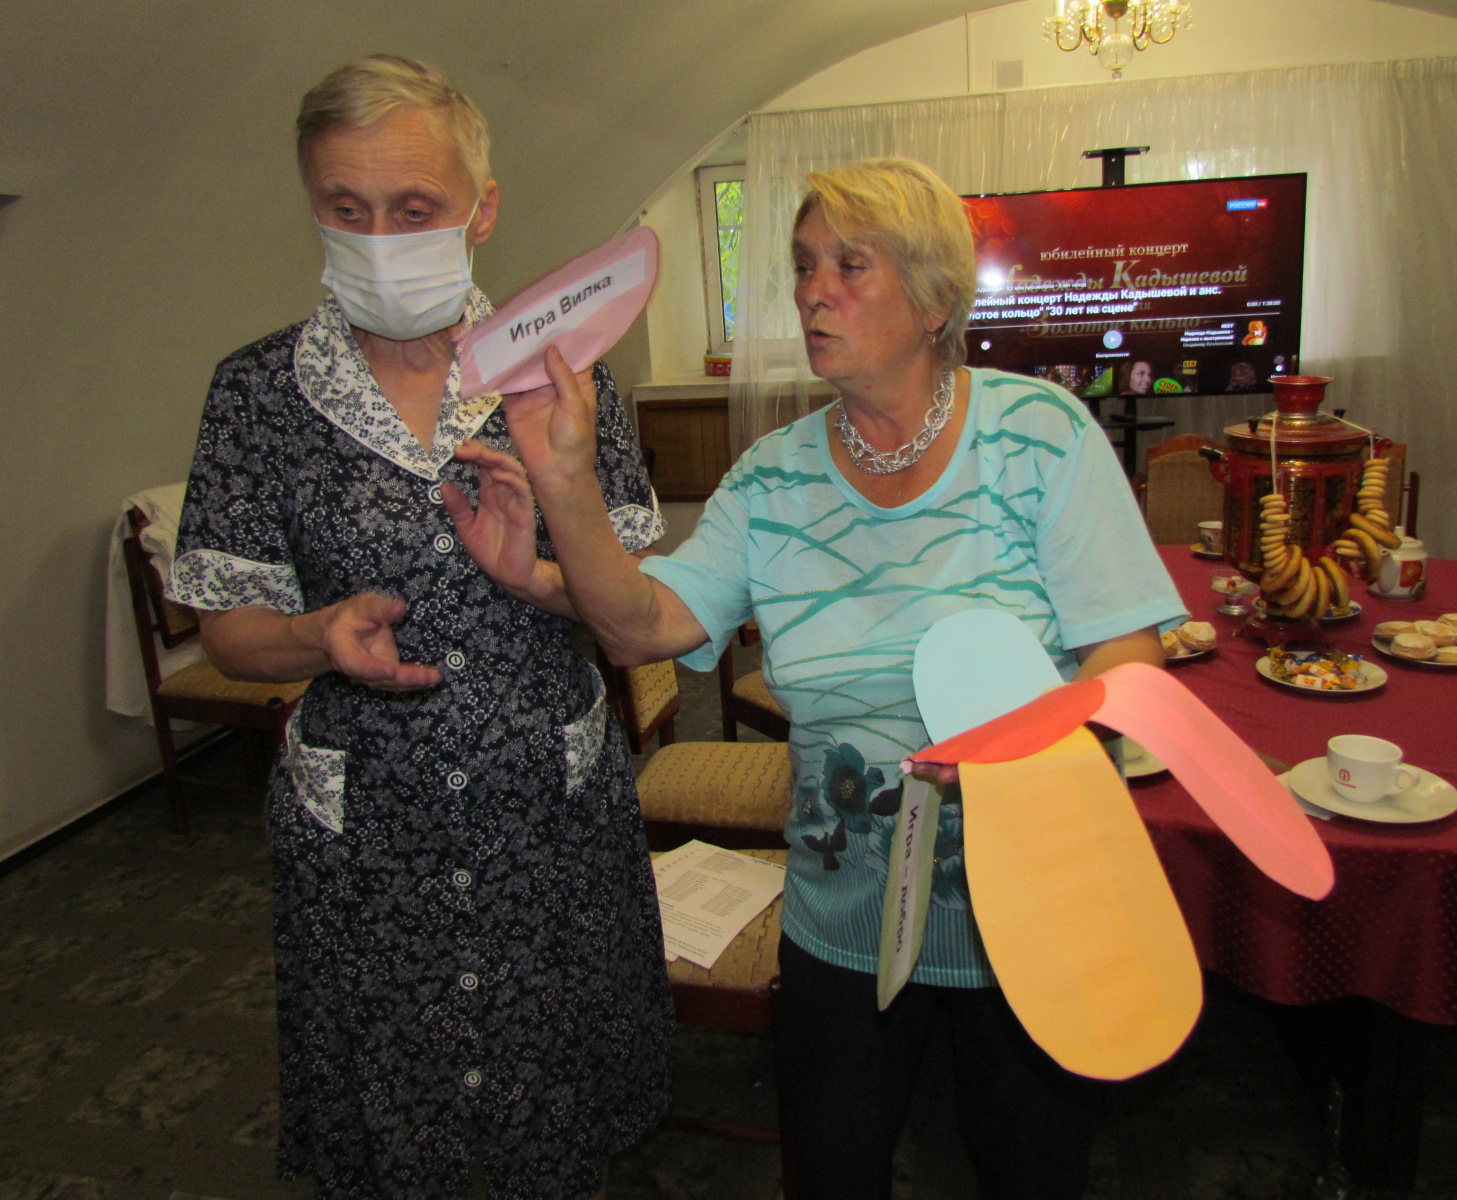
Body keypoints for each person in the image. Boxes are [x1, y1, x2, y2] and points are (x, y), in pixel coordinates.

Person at [450, 158, 1187, 1199]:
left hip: (1034, 909)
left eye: (850, 265)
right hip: (843, 918)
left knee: (1031, 1173)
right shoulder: (771, 477)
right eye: (803, 266)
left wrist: (1031, 750)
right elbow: (641, 624)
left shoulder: (1040, 437)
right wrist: (562, 485)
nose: (811, 292)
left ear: (933, 298)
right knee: (833, 1175)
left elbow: (1127, 657)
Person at [169, 55, 671, 1200]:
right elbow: (231, 632)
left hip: (543, 810)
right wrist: (316, 638)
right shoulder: (257, 395)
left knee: (553, 1103)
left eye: (413, 209)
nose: (380, 240)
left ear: (481, 211)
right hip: (366, 833)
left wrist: (542, 567)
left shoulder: (564, 376)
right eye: (346, 209)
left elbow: (636, 613)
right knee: (394, 1114)